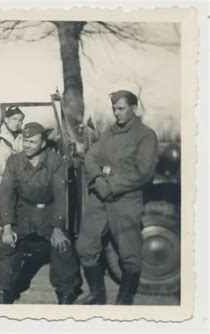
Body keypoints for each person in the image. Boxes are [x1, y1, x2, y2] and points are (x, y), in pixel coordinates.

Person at [76, 90, 159, 305]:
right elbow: (91, 157)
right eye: (114, 109)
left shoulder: (145, 135)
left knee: (129, 252)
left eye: (120, 109)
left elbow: (143, 172)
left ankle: (125, 298)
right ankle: (97, 293)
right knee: (86, 246)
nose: (116, 113)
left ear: (133, 108)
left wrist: (111, 184)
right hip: (100, 197)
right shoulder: (109, 132)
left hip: (126, 199)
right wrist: (98, 179)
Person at [0, 122, 82, 304]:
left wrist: (58, 227)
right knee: (5, 246)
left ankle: (66, 290)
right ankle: (4, 290)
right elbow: (5, 194)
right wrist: (7, 227)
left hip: (49, 211)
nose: (27, 145)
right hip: (24, 212)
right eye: (25, 141)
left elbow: (61, 196)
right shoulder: (14, 161)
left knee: (62, 245)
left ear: (42, 144)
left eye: (32, 142)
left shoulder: (55, 162)